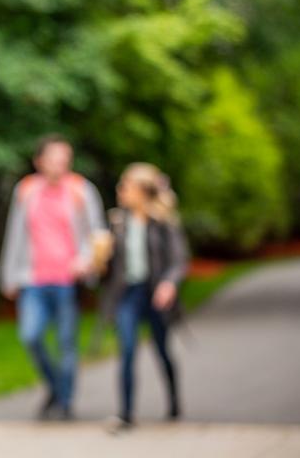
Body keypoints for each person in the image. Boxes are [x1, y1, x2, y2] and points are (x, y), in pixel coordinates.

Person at [0, 135, 107, 420]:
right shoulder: (27, 190)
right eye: (55, 158)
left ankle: (65, 401)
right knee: (30, 335)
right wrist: (8, 275)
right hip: (33, 279)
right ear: (40, 161)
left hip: (67, 281)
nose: (61, 164)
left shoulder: (81, 189)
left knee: (66, 342)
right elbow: (15, 235)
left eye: (65, 158)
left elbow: (97, 235)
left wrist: (85, 262)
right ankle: (56, 386)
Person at [102, 162, 189, 430]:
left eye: (125, 186)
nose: (120, 191)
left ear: (141, 191)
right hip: (128, 293)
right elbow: (110, 267)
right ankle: (126, 413)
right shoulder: (118, 222)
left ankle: (174, 401)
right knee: (126, 350)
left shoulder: (163, 222)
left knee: (162, 350)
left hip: (154, 293)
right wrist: (98, 261)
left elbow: (178, 259)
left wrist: (169, 284)